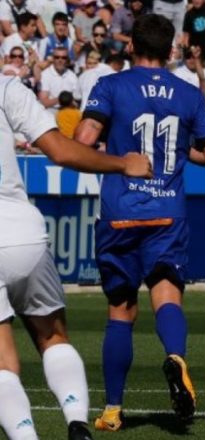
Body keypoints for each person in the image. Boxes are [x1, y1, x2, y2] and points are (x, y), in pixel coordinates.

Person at [73, 14, 205, 431]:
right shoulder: (189, 93)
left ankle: (112, 411)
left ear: (130, 46)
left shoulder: (110, 86)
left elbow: (83, 142)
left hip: (120, 211)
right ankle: (175, 356)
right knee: (167, 296)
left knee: (120, 310)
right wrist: (177, 152)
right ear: (171, 49)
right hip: (168, 213)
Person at [0, 75, 151, 440]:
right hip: (22, 233)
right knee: (53, 336)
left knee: (3, 362)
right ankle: (77, 422)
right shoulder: (5, 87)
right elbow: (62, 151)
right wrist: (122, 164)